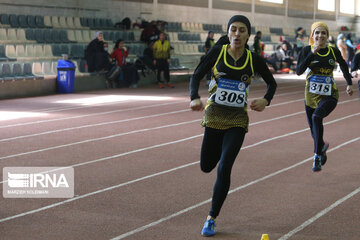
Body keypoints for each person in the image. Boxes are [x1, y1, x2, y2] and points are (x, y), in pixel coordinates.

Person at [189, 15, 277, 237]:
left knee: (225, 166)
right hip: (214, 116)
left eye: (242, 30)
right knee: (206, 166)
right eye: (233, 29)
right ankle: (219, 147)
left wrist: (266, 100)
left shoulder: (253, 58)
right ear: (228, 33)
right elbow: (197, 74)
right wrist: (194, 97)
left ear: (248, 35)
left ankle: (211, 218)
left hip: (237, 119)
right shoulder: (217, 53)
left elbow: (272, 83)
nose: (237, 34)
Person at [296, 22, 353, 172]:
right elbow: (299, 71)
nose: (320, 36)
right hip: (310, 96)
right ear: (312, 35)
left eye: (323, 33)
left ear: (327, 36)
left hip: (329, 95)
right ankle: (321, 146)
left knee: (316, 117)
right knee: (313, 131)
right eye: (317, 33)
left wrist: (349, 83)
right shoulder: (306, 50)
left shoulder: (333, 51)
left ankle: (316, 157)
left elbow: (343, 66)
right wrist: (312, 54)